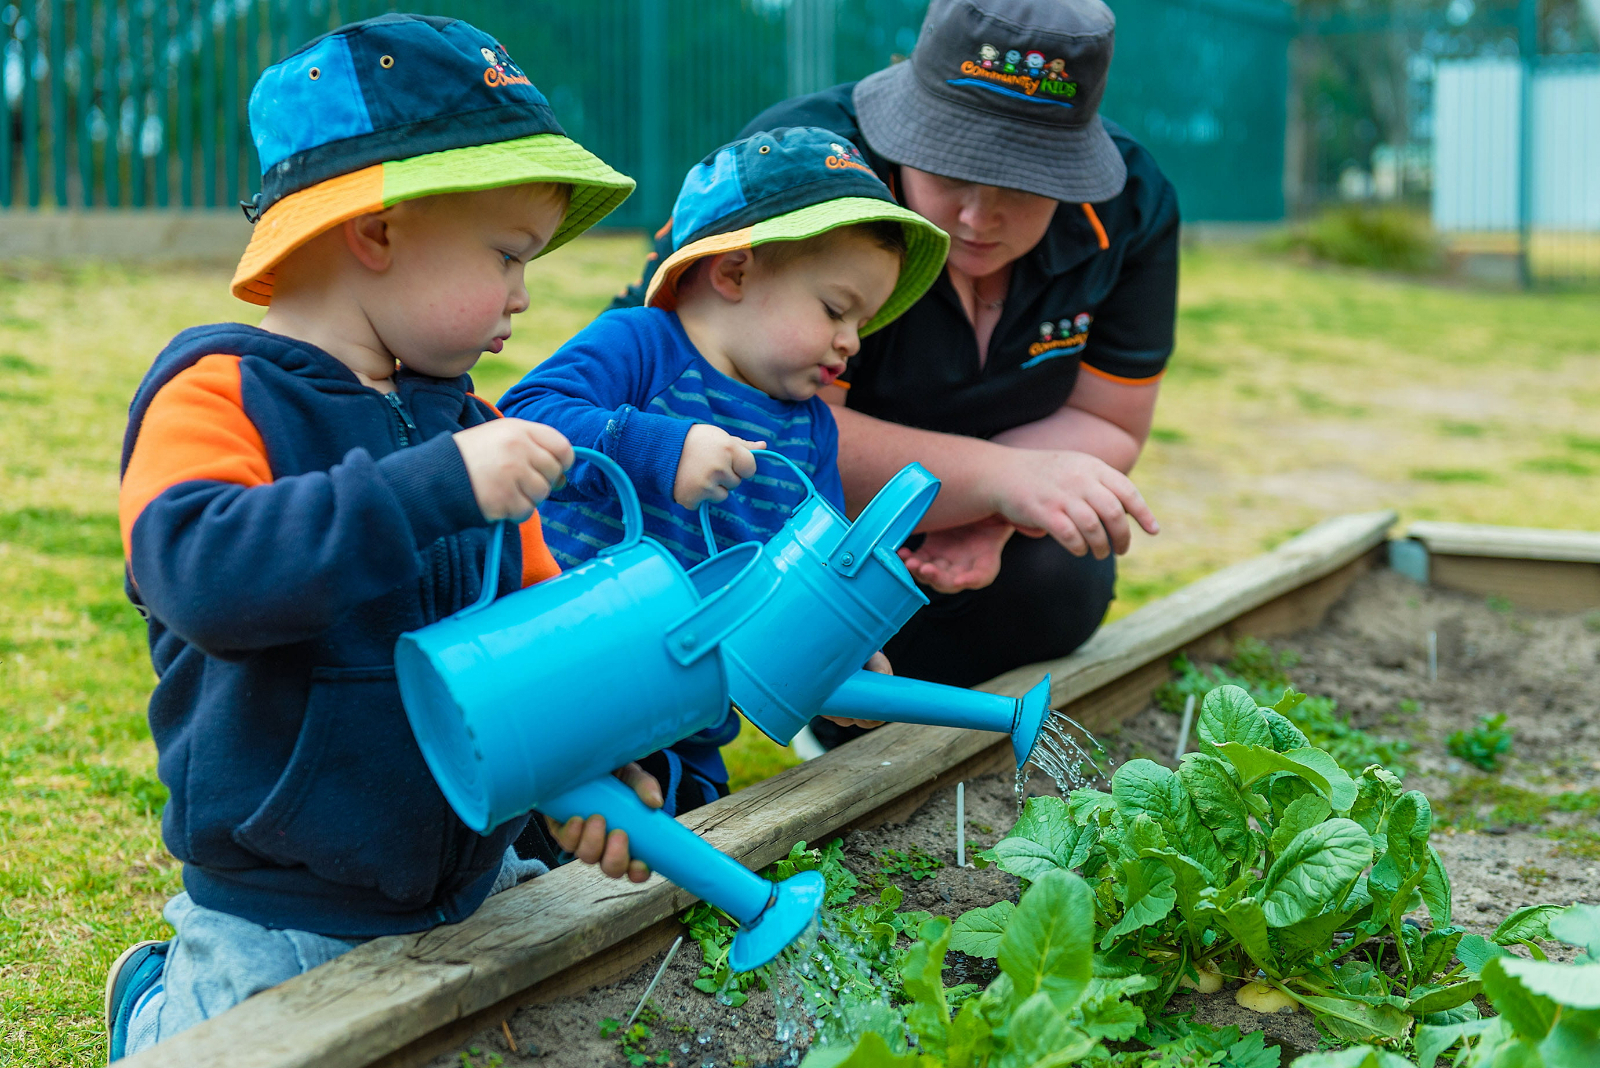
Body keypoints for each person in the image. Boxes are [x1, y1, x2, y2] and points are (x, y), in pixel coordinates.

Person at [104, 15, 654, 1057]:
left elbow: (540, 634)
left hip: (480, 877)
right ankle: (154, 1009)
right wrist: (427, 490)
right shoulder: (214, 393)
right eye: (505, 255)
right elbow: (202, 574)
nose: (523, 296)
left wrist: (595, 766)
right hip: (281, 913)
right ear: (377, 228)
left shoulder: (473, 426)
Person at [614, 0, 1175, 744]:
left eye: (1020, 185)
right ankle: (833, 714)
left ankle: (909, 736)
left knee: (1062, 583)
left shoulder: (1132, 204)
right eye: (952, 170)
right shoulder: (803, 175)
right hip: (755, 498)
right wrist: (1003, 482)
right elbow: (763, 439)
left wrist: (995, 515)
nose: (977, 217)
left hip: (952, 504)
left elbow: (1109, 421)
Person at [499, 126, 949, 813]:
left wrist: (841, 649)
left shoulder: (811, 430)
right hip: (565, 681)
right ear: (734, 272)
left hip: (692, 727)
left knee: (676, 876)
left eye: (865, 322)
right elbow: (522, 421)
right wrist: (658, 447)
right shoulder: (639, 346)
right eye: (836, 309)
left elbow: (819, 571)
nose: (851, 341)